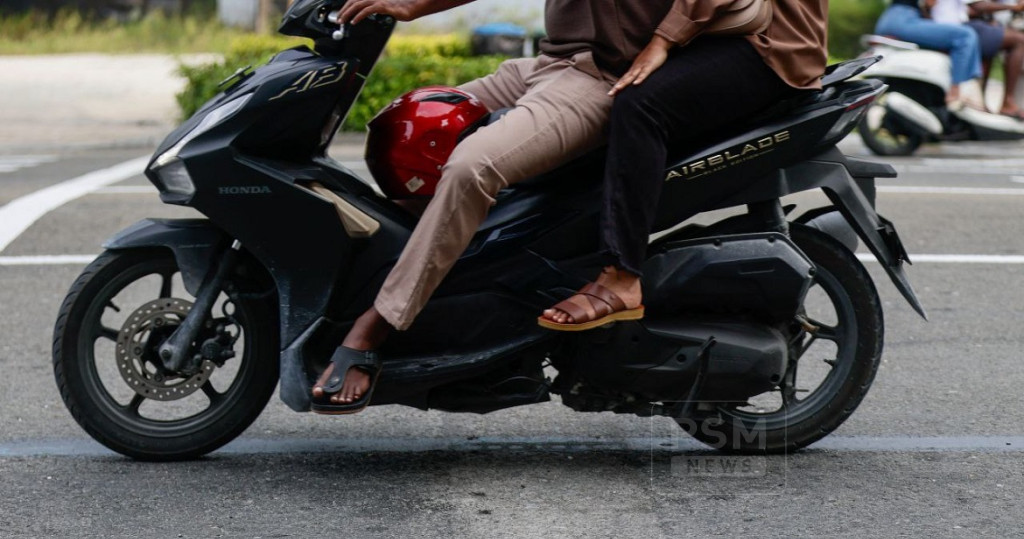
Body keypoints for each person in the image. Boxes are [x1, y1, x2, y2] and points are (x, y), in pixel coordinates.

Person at [313, 0, 732, 413]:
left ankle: (377, 324)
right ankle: (439, 270)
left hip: (601, 75)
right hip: (552, 63)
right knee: (409, 126)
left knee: (471, 168)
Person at [539, 2, 829, 329]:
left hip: (771, 45)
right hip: (718, 36)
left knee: (640, 105)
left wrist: (662, 40)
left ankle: (622, 277)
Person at [874, 0, 987, 107]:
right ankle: (956, 92)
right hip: (905, 19)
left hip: (888, 18)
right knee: (966, 35)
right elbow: (930, 2)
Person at [931, 0, 1024, 117]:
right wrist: (1015, 7)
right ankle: (1007, 102)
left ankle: (983, 102)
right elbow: (978, 6)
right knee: (1019, 40)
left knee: (994, 33)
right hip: (955, 28)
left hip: (959, 25)